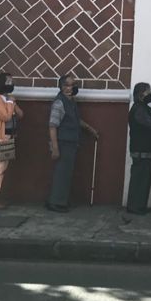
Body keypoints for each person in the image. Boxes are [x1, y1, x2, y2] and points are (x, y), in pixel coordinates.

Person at [46, 75, 99, 212]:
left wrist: (89, 128)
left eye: (74, 84)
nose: (73, 87)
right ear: (63, 87)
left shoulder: (71, 102)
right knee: (61, 174)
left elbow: (76, 120)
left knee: (67, 174)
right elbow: (52, 126)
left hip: (71, 142)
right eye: (70, 85)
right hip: (63, 143)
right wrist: (55, 148)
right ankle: (55, 202)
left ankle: (61, 200)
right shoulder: (59, 103)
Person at [0, 72, 23, 209]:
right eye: (8, 81)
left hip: (8, 136)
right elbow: (6, 116)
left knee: (2, 167)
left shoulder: (7, 98)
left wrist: (11, 102)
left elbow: (20, 114)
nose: (10, 84)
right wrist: (11, 102)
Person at [126, 82, 151, 215]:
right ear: (141, 94)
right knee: (139, 180)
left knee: (144, 180)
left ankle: (140, 205)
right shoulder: (139, 109)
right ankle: (135, 207)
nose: (150, 95)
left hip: (146, 150)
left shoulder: (145, 108)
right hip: (141, 150)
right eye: (148, 92)